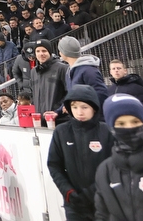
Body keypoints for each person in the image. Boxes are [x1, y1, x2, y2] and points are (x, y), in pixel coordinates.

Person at [47, 85, 113, 221]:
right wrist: (68, 191)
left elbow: (114, 166)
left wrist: (92, 192)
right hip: (73, 204)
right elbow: (54, 165)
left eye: (84, 107)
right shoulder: (61, 131)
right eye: (75, 107)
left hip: (104, 202)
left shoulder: (106, 131)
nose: (79, 112)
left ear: (94, 107)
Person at [94, 93, 143, 220]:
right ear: (112, 128)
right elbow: (102, 214)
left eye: (135, 121)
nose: (129, 127)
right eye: (121, 124)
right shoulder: (105, 170)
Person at [58, 36, 109, 105]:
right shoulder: (69, 71)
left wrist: (89, 109)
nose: (59, 52)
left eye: (60, 50)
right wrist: (59, 111)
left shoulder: (88, 71)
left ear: (64, 52)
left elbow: (102, 94)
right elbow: (72, 97)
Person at [30, 39, 69, 126]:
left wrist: (58, 111)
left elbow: (70, 93)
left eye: (44, 51)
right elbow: (33, 95)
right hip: (41, 122)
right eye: (38, 51)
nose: (41, 54)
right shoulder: (33, 72)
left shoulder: (62, 68)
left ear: (50, 52)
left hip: (60, 121)